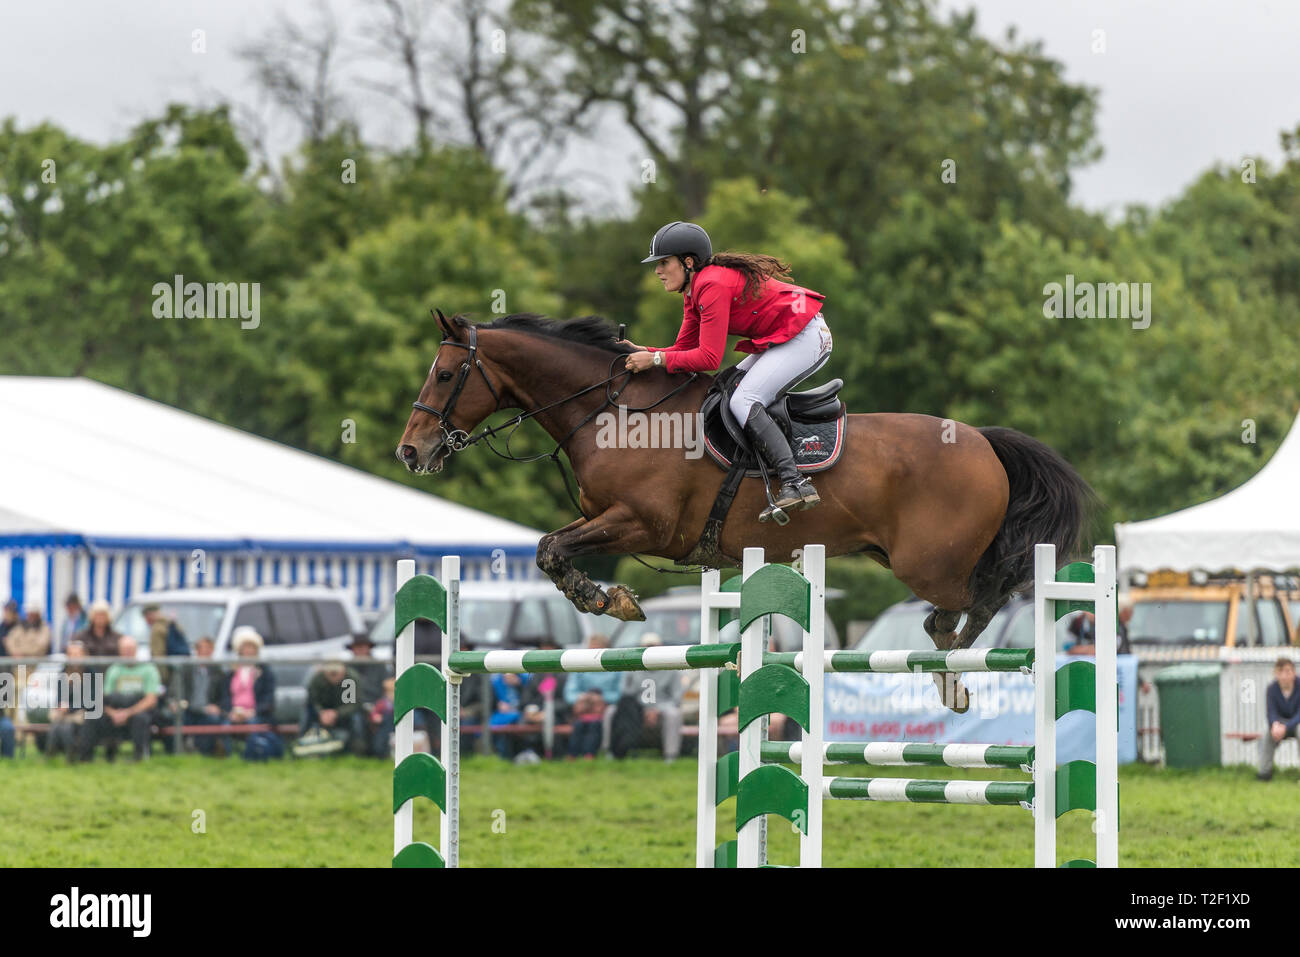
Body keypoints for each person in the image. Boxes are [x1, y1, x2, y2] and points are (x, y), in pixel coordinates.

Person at [625, 221, 831, 520]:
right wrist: (646, 353)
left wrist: (655, 361)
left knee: (742, 400)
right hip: (784, 337)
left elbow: (708, 358)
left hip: (805, 336)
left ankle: (794, 482)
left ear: (688, 262)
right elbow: (683, 349)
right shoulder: (693, 291)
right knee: (727, 387)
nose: (657, 271)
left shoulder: (711, 285)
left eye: (663, 263)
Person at [610, 633, 684, 761]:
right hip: (637, 708)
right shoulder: (632, 667)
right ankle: (609, 751)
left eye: (654, 647)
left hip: (663, 707)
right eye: (647, 648)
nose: (651, 651)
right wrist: (642, 710)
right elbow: (626, 693)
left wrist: (657, 710)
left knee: (674, 714)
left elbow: (676, 697)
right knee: (610, 712)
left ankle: (671, 755)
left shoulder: (672, 668)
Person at [91, 635, 161, 761]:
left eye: (130, 649)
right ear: (119, 651)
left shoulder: (149, 669)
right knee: (95, 716)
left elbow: (151, 700)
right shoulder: (114, 670)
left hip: (138, 709)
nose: (127, 653)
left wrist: (128, 713)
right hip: (117, 708)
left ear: (136, 650)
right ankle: (97, 756)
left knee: (141, 719)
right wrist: (113, 714)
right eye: (124, 650)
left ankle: (139, 757)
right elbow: (104, 698)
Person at [218, 627, 281, 760]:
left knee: (254, 723)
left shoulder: (265, 672)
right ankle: (231, 756)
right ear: (239, 650)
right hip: (235, 713)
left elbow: (269, 699)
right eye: (245, 647)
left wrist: (253, 711)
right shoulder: (231, 673)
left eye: (251, 647)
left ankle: (251, 754)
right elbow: (225, 697)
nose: (248, 651)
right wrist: (231, 712)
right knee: (225, 726)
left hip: (256, 713)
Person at [563, 634, 622, 758]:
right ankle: (572, 755)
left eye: (597, 650)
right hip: (583, 709)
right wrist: (584, 698)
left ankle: (592, 754)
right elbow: (569, 693)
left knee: (595, 725)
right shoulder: (579, 666)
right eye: (591, 650)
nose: (593, 654)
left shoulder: (617, 667)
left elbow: (620, 693)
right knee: (579, 726)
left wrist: (601, 700)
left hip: (606, 709)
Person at [301, 661, 366, 755]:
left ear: (343, 672)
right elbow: (313, 701)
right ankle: (302, 745)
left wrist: (337, 713)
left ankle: (358, 750)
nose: (333, 677)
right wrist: (321, 712)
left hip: (345, 712)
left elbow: (354, 704)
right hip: (323, 712)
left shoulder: (351, 679)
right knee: (306, 713)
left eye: (336, 673)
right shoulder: (317, 679)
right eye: (331, 674)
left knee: (357, 718)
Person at [178, 636, 226, 755]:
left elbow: (224, 695)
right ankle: (177, 750)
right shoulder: (187, 670)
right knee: (176, 718)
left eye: (207, 649)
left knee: (213, 719)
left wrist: (218, 707)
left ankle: (205, 751)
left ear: (212, 651)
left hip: (207, 709)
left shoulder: (218, 672)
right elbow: (178, 690)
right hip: (188, 708)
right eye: (201, 649)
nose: (204, 652)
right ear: (196, 651)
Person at [47, 641, 90, 762]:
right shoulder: (63, 672)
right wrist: (61, 705)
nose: (74, 657)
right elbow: (59, 696)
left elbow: (90, 700)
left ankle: (68, 754)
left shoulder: (91, 672)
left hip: (83, 711)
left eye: (77, 654)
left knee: (66, 725)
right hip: (65, 710)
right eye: (71, 654)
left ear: (84, 656)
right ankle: (51, 754)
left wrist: (70, 708)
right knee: (57, 724)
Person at [1258, 657, 1300, 781]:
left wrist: (1286, 727)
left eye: (1288, 671)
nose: (1284, 676)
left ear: (1294, 672)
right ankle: (1264, 774)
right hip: (1279, 725)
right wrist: (1275, 725)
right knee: (1266, 734)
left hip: (1296, 724)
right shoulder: (1272, 689)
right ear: (1276, 674)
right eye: (1280, 672)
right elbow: (1271, 711)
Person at [75, 600, 123, 665]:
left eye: (103, 615)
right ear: (92, 616)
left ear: (108, 617)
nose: (100, 618)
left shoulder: (117, 638)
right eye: (98, 615)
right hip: (88, 673)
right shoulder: (81, 636)